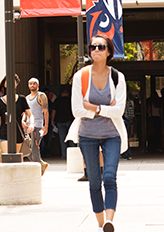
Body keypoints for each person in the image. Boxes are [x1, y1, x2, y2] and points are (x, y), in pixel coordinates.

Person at [67, 34, 128, 232]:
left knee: (109, 177)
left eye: (101, 47)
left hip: (112, 134)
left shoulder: (117, 77)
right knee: (94, 181)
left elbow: (119, 110)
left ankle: (110, 220)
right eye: (93, 47)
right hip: (87, 135)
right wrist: (104, 108)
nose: (96, 50)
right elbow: (76, 110)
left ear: (109, 51)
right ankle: (101, 223)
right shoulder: (81, 76)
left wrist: (94, 107)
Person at [0, 74, 33, 157]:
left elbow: (30, 114)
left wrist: (32, 124)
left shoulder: (21, 99)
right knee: (8, 157)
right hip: (5, 132)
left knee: (17, 159)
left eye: (13, 82)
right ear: (4, 84)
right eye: (8, 82)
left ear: (16, 84)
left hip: (18, 132)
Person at [26, 78, 49, 174]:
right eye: (30, 84)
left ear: (38, 85)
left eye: (34, 84)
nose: (32, 85)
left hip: (38, 125)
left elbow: (46, 111)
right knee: (26, 149)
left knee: (34, 148)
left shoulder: (41, 96)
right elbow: (26, 112)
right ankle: (41, 164)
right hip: (28, 126)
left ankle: (37, 170)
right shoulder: (27, 98)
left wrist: (46, 126)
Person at [51, 87, 75, 159]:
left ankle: (64, 156)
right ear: (68, 94)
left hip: (60, 122)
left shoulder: (57, 100)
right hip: (70, 122)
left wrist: (52, 120)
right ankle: (73, 156)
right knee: (71, 139)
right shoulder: (71, 100)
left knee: (63, 140)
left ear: (61, 94)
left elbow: (53, 111)